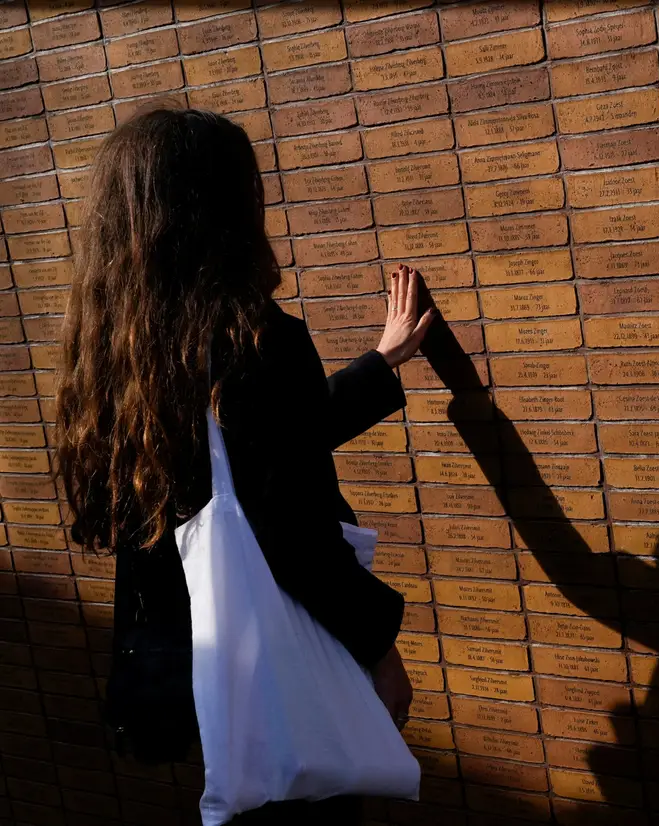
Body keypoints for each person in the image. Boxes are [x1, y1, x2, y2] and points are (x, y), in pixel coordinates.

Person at [53, 108, 433, 824]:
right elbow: (288, 523)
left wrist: (378, 367)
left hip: (187, 663)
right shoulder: (256, 339)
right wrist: (380, 649)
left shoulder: (115, 354)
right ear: (223, 210)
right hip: (278, 665)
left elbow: (253, 452)